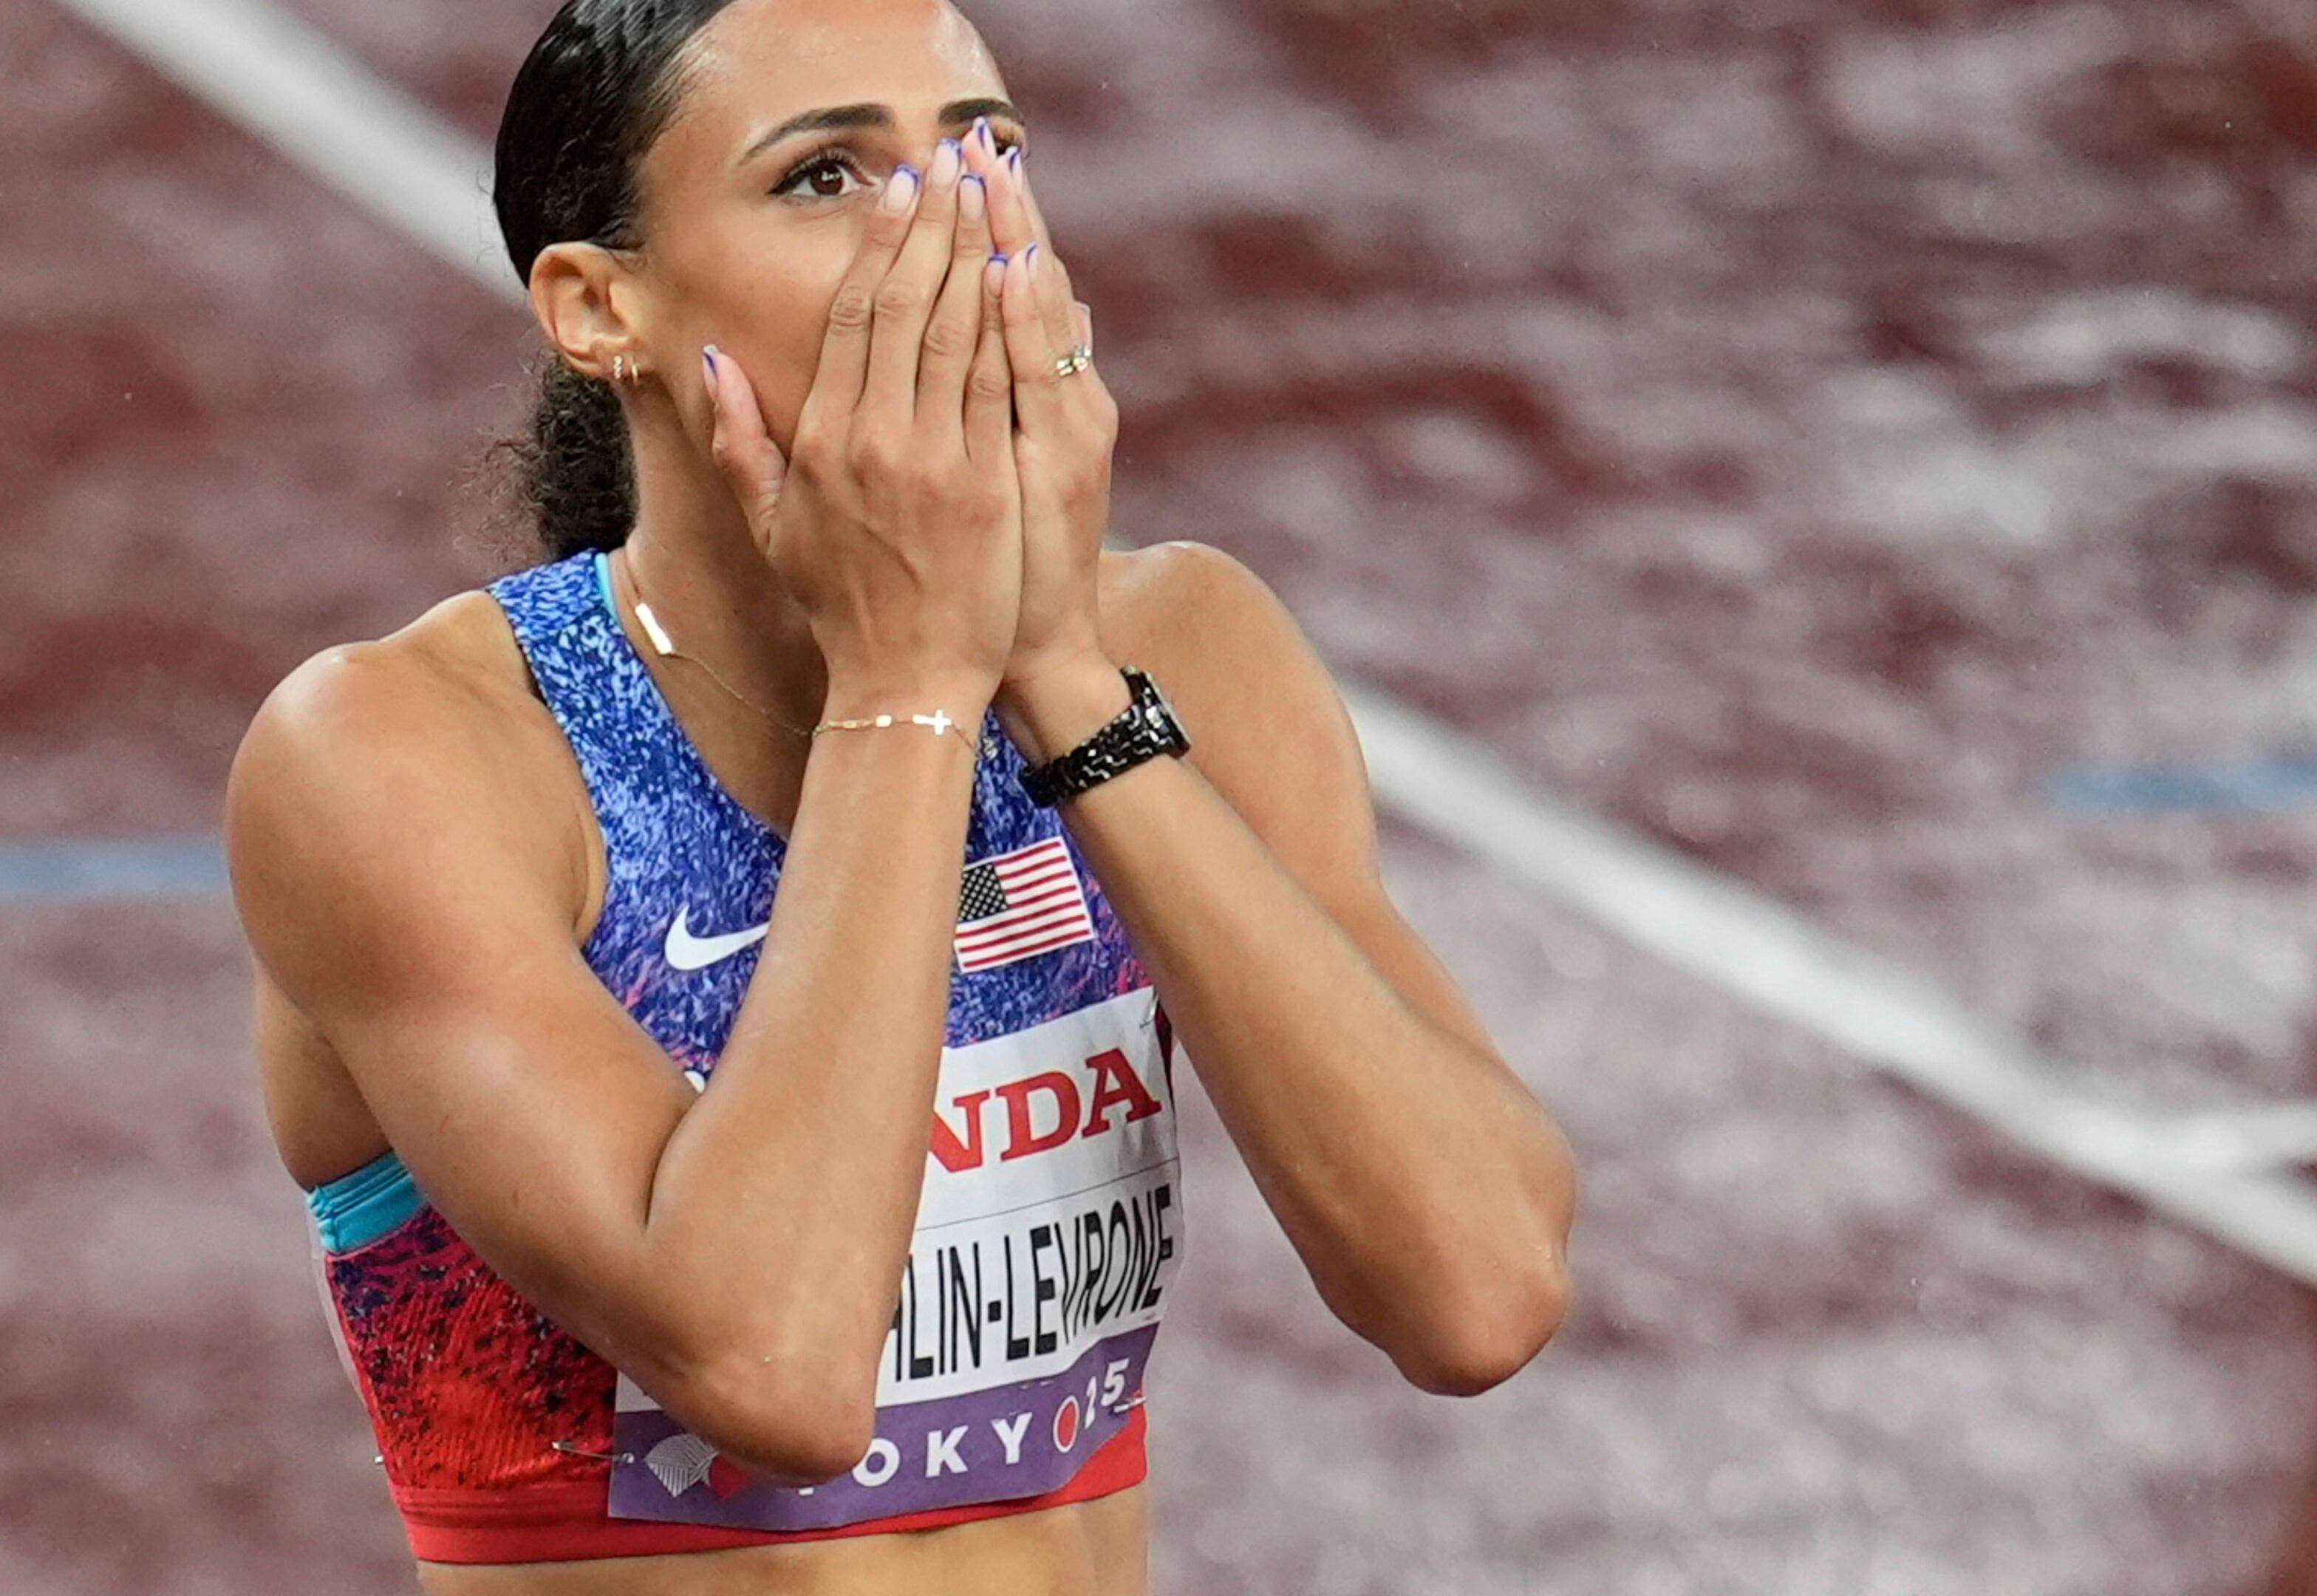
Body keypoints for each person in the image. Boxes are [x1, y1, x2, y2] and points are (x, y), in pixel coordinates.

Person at [223, 0, 1579, 1589]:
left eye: (985, 150)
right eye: (826, 177)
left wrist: (1062, 678)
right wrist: (912, 687)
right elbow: (775, 1365)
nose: (952, 235)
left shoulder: (1181, 649)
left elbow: (1477, 1292)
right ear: (601, 307)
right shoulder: (412, 756)